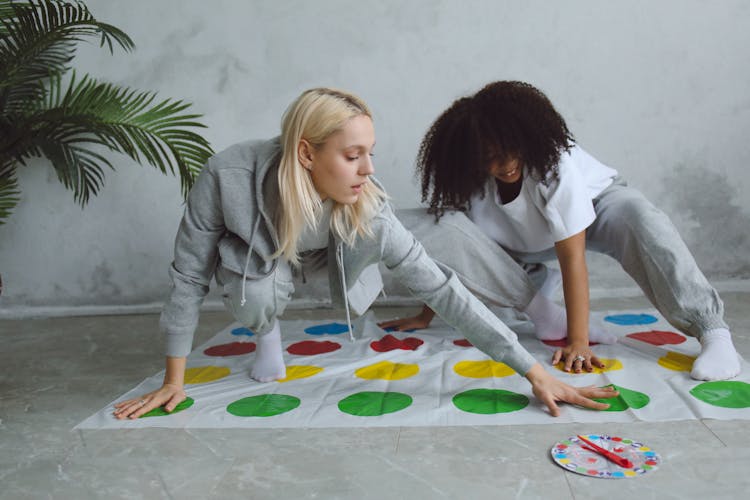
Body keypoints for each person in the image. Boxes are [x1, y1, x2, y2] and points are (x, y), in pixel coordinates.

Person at [114, 87, 617, 420]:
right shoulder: (226, 178)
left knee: (409, 245)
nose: (369, 169)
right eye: (353, 156)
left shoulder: (367, 208)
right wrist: (173, 381)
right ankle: (265, 334)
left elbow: (443, 289)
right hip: (264, 260)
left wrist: (533, 371)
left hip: (329, 254)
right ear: (307, 154)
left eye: (369, 153)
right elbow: (188, 275)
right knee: (253, 295)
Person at [379, 81, 741, 381]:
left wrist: (578, 341)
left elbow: (573, 261)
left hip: (596, 213)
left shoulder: (554, 166)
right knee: (440, 224)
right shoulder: (470, 180)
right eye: (489, 156)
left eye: (509, 151)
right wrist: (426, 313)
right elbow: (454, 248)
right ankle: (537, 294)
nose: (503, 165)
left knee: (639, 214)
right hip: (519, 243)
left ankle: (712, 332)